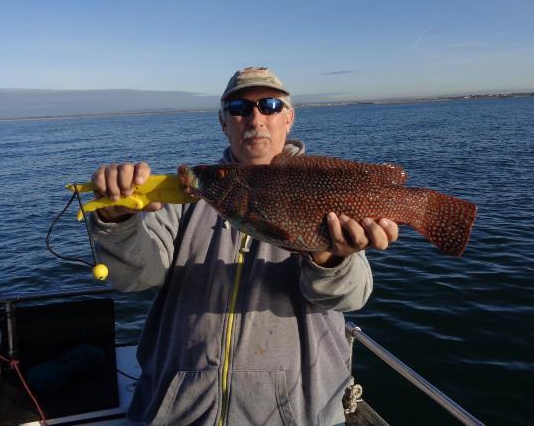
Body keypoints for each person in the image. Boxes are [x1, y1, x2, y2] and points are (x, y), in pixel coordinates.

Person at [90, 67, 399, 426]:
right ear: (223, 122)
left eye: (269, 105)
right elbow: (132, 278)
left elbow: (351, 297)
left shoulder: (321, 190)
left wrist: (331, 257)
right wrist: (118, 221)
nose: (255, 117)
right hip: (178, 415)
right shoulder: (185, 197)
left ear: (289, 118)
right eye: (239, 107)